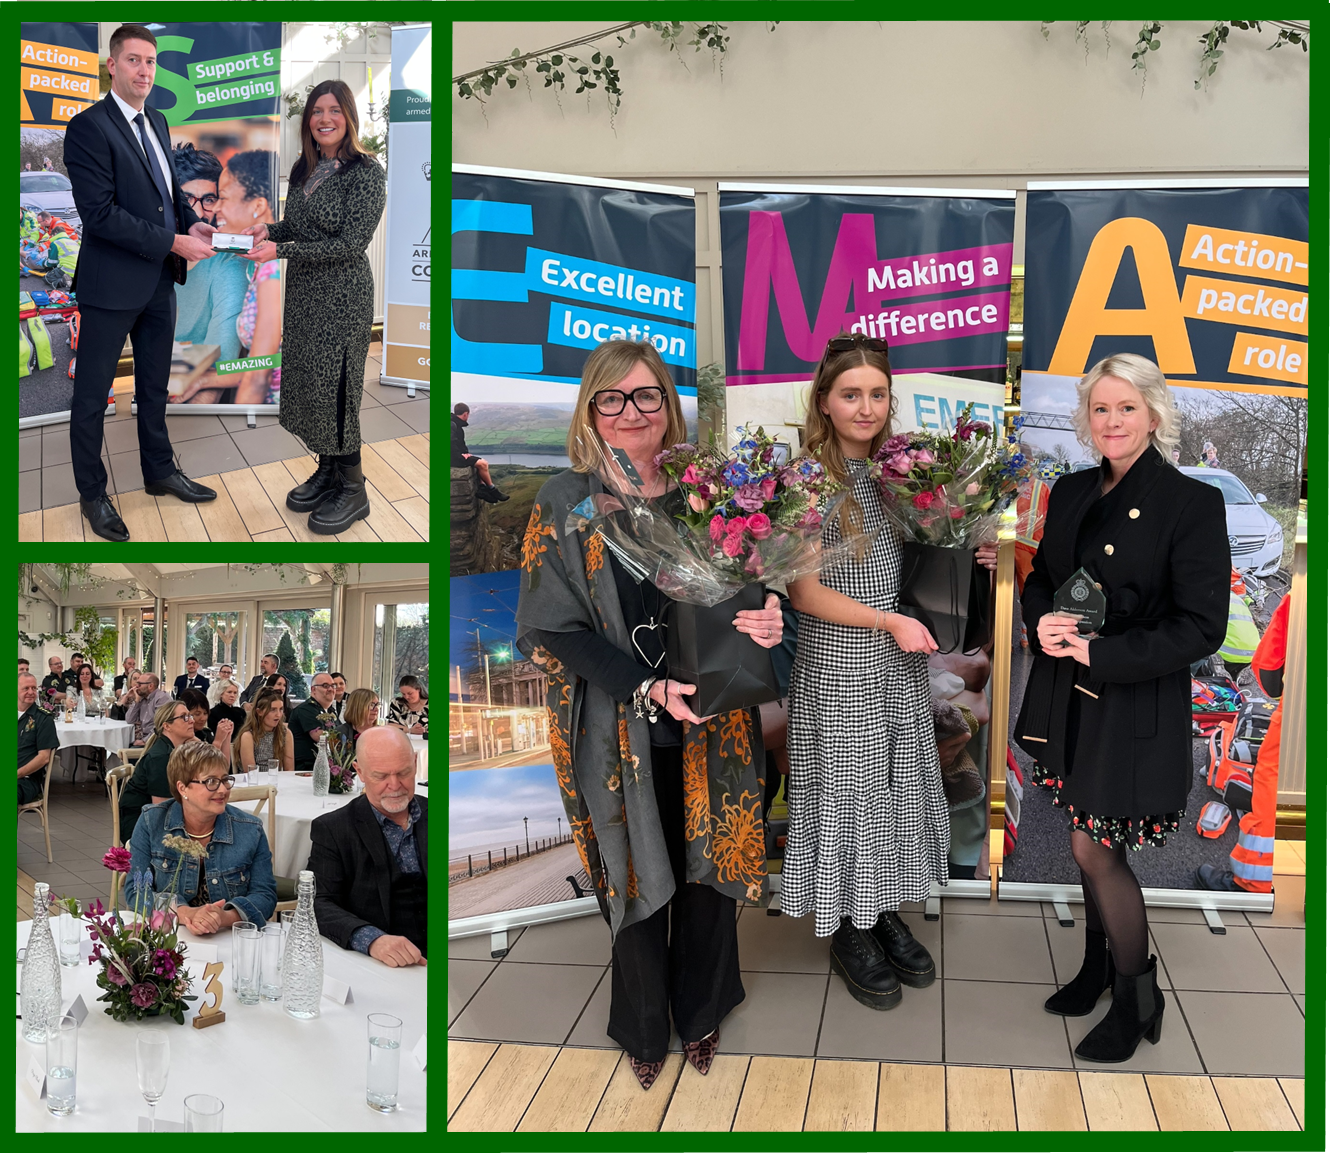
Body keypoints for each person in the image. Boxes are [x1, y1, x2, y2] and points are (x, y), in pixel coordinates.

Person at [514, 338, 783, 1090]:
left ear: (669, 403)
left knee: (707, 873)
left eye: (647, 396)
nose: (632, 412)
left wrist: (766, 619)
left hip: (715, 723)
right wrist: (645, 686)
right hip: (614, 728)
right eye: (613, 398)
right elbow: (547, 630)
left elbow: (755, 594)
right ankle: (640, 1023)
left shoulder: (711, 492)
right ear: (591, 410)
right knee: (634, 874)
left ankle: (702, 1009)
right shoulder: (563, 504)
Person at [1015, 353, 1228, 1064]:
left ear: (1155, 413)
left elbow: (1201, 627)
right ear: (1087, 417)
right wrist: (1041, 619)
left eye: (1126, 408)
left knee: (1093, 846)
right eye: (1101, 409)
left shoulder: (1192, 503)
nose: (1112, 421)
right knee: (1086, 832)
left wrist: (1098, 653)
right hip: (1065, 701)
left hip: (1128, 704)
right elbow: (1042, 579)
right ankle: (1098, 966)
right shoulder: (1072, 491)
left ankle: (1140, 996)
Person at [781, 333, 997, 1011]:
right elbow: (803, 592)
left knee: (890, 791)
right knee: (849, 798)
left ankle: (879, 909)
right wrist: (888, 621)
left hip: (896, 664)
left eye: (877, 394)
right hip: (840, 663)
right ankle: (849, 927)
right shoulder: (806, 480)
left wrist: (973, 545)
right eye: (852, 394)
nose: (866, 407)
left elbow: (928, 558)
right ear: (825, 400)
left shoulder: (896, 472)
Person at [62, 23, 219, 542]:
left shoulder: (157, 117)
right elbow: (100, 215)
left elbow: (166, 191)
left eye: (150, 62)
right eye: (134, 60)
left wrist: (188, 222)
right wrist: (174, 242)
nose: (145, 71)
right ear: (112, 65)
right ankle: (92, 495)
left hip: (156, 283)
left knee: (154, 388)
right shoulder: (88, 127)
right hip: (110, 288)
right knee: (91, 399)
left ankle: (159, 472)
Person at [241, 80, 387, 534]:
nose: (325, 118)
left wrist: (281, 252)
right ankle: (328, 471)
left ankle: (354, 488)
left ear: (348, 117)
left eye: (334, 110)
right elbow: (300, 226)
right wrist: (272, 232)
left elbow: (350, 243)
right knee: (314, 389)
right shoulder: (308, 167)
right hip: (305, 296)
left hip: (342, 297)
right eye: (317, 111)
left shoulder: (366, 172)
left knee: (339, 393)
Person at [124, 741, 277, 931]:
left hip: (227, 939)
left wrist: (225, 917)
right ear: (182, 788)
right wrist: (185, 913)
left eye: (225, 779)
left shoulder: (250, 829)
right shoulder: (152, 822)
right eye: (211, 781)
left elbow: (265, 895)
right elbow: (135, 890)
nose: (223, 790)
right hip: (169, 936)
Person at [306, 727, 426, 966]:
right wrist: (372, 940)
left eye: (403, 772)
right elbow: (318, 902)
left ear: (415, 763)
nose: (394, 785)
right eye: (381, 776)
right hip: (381, 964)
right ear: (359, 772)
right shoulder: (334, 829)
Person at [1198, 593, 1290, 894]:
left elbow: (1269, 675)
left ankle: (1254, 880)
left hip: (1307, 707)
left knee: (1272, 785)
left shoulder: (1306, 595)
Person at [168, 142, 248, 403]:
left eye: (209, 200)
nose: (199, 212)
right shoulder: (151, 256)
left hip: (194, 380)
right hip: (160, 374)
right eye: (187, 198)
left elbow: (221, 360)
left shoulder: (228, 263)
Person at [214, 149, 282, 408]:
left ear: (258, 206)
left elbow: (259, 376)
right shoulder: (255, 264)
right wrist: (202, 380)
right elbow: (258, 362)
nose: (216, 208)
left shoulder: (271, 271)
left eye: (222, 198)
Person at [118, 700, 197, 841]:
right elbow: (161, 809)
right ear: (167, 726)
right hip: (141, 827)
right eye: (184, 717)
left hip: (153, 819)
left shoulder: (171, 750)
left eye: (190, 716)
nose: (191, 721)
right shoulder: (161, 757)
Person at [452, 402, 509, 503]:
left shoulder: (455, 424)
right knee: (483, 464)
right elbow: (450, 443)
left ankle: (482, 488)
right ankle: (492, 489)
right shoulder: (452, 425)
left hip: (455, 455)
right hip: (453, 457)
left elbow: (459, 443)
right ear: (465, 414)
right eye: (468, 415)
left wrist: (465, 453)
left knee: (478, 463)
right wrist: (460, 455)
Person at [18, 673, 60, 805]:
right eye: (26, 688)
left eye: (34, 688)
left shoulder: (43, 718)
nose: (31, 692)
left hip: (25, 779)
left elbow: (44, 758)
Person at [235, 688, 293, 773]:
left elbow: (289, 770)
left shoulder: (285, 733)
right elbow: (251, 772)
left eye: (281, 709)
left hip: (276, 781)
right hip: (254, 783)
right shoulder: (248, 736)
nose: (278, 714)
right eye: (273, 710)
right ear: (259, 712)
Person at [288, 672, 336, 773]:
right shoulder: (306, 709)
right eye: (325, 686)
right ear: (313, 689)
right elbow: (319, 737)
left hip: (324, 767)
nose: (331, 689)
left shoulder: (330, 711)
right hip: (306, 769)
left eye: (333, 686)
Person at [181, 687, 233, 762]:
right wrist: (217, 742)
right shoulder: (184, 739)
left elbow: (224, 767)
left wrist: (227, 736)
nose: (203, 718)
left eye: (205, 713)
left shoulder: (206, 734)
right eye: (197, 714)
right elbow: (208, 767)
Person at [122, 672, 172, 745]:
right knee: (118, 747)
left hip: (158, 741)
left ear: (150, 686)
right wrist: (136, 701)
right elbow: (129, 720)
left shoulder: (162, 698)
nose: (136, 686)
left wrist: (144, 741)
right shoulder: (142, 698)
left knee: (121, 751)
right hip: (142, 737)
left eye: (139, 684)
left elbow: (161, 725)